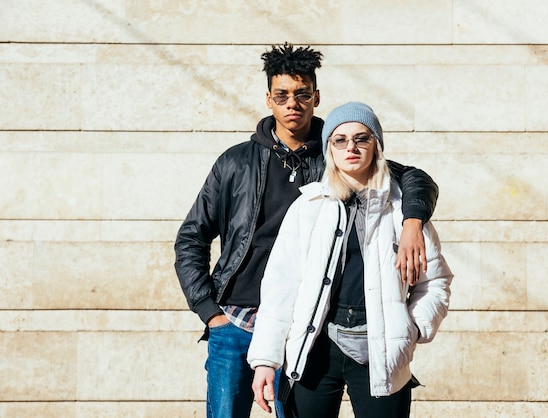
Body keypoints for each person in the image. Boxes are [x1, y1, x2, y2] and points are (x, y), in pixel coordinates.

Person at [174, 43, 439, 418]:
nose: (292, 103)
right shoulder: (236, 162)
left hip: (308, 325)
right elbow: (192, 236)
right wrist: (208, 310)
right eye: (282, 95)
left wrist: (413, 221)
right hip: (236, 320)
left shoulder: (336, 150)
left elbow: (414, 178)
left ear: (316, 97)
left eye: (302, 94)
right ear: (269, 99)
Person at [248, 102, 453, 418]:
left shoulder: (404, 211)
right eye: (339, 140)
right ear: (329, 148)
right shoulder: (309, 206)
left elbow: (435, 281)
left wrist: (412, 329)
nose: (351, 147)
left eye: (362, 138)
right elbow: (279, 286)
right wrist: (265, 359)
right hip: (315, 349)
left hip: (381, 350)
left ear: (376, 146)